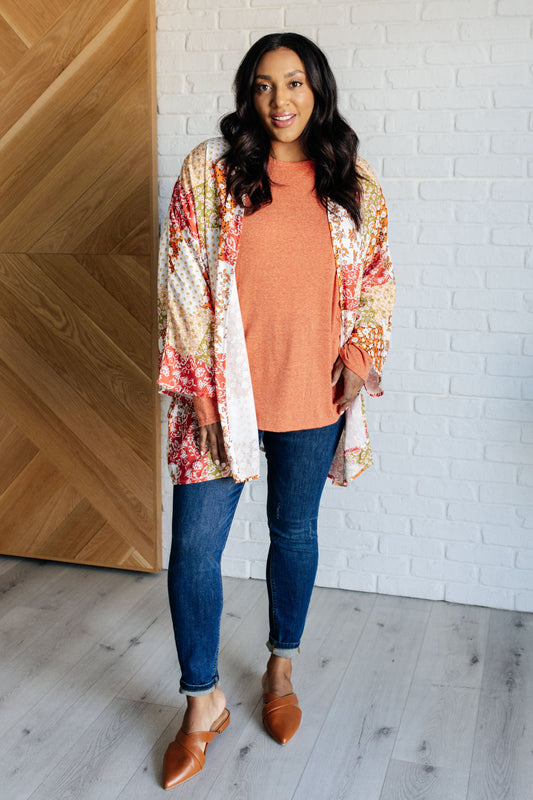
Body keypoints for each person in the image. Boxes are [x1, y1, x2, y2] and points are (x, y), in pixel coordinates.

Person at [157, 32, 395, 789]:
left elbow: (379, 278)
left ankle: (280, 667)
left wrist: (358, 362)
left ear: (317, 90)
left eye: (293, 84)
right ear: (245, 95)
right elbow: (183, 271)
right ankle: (201, 703)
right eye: (263, 86)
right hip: (221, 396)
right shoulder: (213, 170)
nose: (279, 101)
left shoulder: (351, 180)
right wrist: (195, 384)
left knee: (294, 533)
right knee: (194, 552)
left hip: (311, 393)